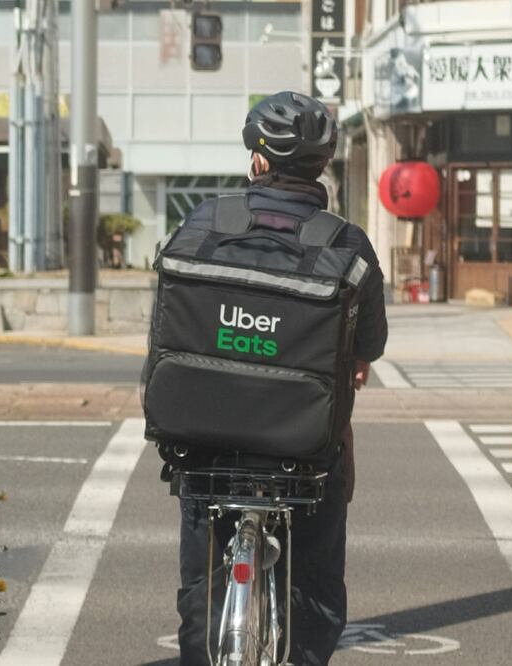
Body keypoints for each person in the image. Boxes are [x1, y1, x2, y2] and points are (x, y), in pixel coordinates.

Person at [175, 91, 388, 665]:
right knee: (316, 586)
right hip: (305, 449)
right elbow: (369, 348)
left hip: (205, 441)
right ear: (321, 166)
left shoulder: (201, 224)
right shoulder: (347, 245)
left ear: (258, 161)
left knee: (201, 581)